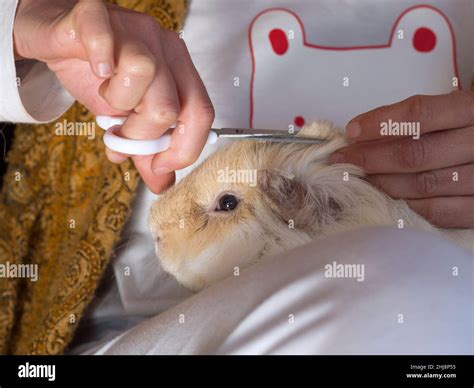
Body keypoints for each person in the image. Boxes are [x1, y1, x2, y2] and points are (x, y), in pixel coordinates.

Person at [0, 0, 472, 354]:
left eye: (227, 206)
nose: (166, 225)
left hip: (434, 309)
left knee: (411, 291)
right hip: (129, 331)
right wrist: (19, 24)